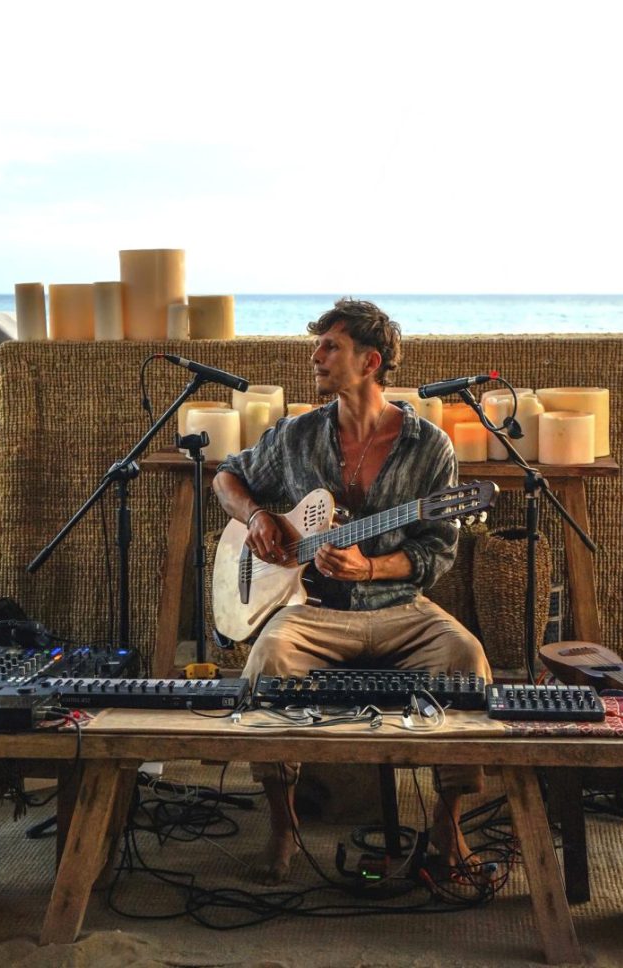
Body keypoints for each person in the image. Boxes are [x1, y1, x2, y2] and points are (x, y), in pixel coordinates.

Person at [212, 298, 491, 885]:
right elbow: (225, 476)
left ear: (371, 361)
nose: (316, 356)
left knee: (464, 657)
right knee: (269, 658)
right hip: (313, 611)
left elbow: (437, 550)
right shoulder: (294, 435)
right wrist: (260, 517)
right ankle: (284, 821)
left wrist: (369, 568)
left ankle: (448, 817)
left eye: (329, 347)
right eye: (318, 346)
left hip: (399, 609)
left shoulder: (429, 447)